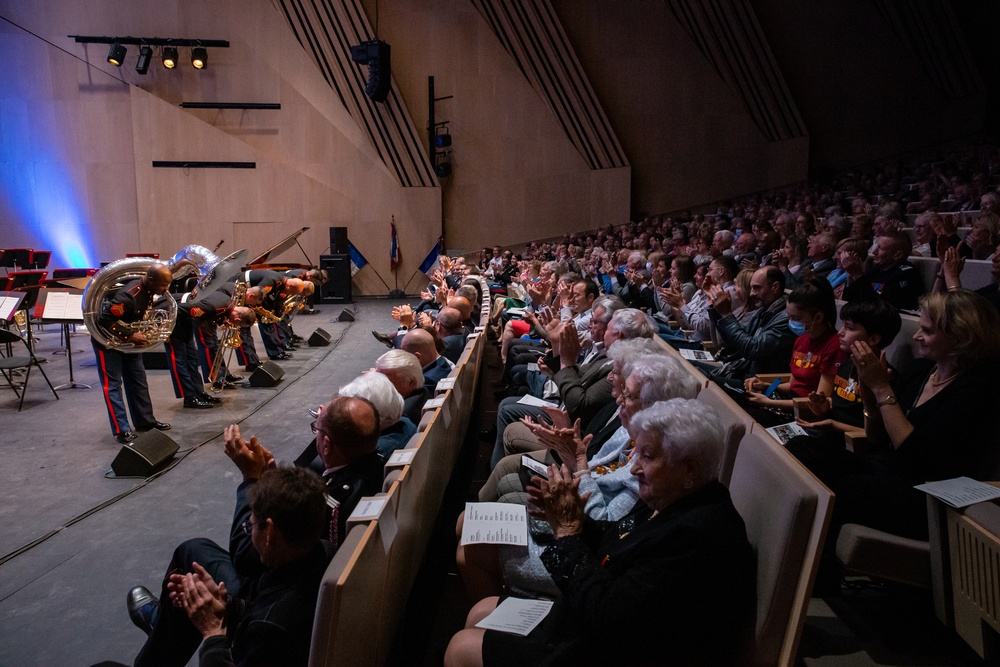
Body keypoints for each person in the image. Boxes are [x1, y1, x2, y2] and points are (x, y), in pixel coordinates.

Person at [445, 400, 756, 667]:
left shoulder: (697, 537)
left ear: (690, 469)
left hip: (610, 647)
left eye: (646, 457)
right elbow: (617, 539)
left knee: (460, 648)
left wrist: (567, 534)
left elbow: (610, 617)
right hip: (594, 623)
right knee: (480, 611)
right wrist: (574, 519)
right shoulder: (674, 498)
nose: (634, 469)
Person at [788, 290, 1000, 548]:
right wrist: (868, 395)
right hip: (885, 468)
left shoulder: (975, 391)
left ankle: (819, 578)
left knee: (835, 488)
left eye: (928, 331)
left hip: (926, 495)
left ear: (961, 338)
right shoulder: (923, 370)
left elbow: (914, 457)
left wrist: (881, 388)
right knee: (800, 449)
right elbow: (876, 439)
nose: (916, 336)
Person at [128, 466, 331, 667]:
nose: (248, 531)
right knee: (193, 550)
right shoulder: (324, 552)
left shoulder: (267, 631)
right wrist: (227, 605)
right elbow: (266, 604)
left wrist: (213, 632)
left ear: (269, 532)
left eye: (249, 525)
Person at [739, 278, 841, 426]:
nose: (791, 323)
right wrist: (765, 385)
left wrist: (769, 403)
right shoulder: (801, 339)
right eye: (789, 317)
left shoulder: (833, 345)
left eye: (797, 318)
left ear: (818, 317)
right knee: (735, 395)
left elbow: (819, 401)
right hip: (787, 399)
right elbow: (794, 384)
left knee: (745, 416)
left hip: (804, 412)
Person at [92, 263, 172, 443]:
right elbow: (104, 320)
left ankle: (145, 422)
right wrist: (130, 334)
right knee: (113, 386)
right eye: (163, 285)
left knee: (139, 382)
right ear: (151, 280)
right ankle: (122, 429)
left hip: (129, 344)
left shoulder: (149, 290)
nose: (166, 289)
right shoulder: (127, 296)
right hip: (108, 344)